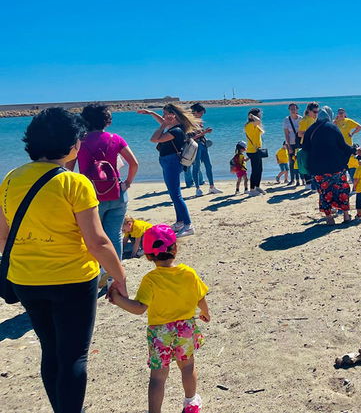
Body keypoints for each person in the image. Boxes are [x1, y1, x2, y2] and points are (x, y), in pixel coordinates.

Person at [0, 107, 128, 412]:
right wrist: (119, 277)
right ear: (73, 145)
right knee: (74, 356)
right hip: (72, 280)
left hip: (25, 279)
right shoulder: (75, 183)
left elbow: (3, 237)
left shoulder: (10, 179)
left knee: (51, 350)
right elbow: (97, 242)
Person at [108, 224, 210, 413]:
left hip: (160, 332)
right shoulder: (188, 273)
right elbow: (200, 297)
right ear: (176, 248)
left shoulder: (151, 280)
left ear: (148, 256)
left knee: (158, 377)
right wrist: (205, 312)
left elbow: (139, 308)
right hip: (185, 327)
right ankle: (191, 403)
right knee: (187, 368)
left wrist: (117, 299)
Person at [69, 103, 138, 288]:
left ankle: (94, 274)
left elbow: (68, 170)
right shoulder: (116, 139)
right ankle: (114, 278)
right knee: (114, 235)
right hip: (116, 193)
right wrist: (127, 184)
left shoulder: (78, 141)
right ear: (106, 121)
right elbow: (134, 163)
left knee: (91, 238)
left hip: (90, 197)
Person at [138, 104, 200, 237]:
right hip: (168, 161)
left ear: (173, 115)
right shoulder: (175, 127)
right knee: (173, 194)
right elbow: (162, 122)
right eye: (163, 114)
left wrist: (162, 125)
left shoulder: (176, 131)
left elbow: (154, 139)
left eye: (166, 113)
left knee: (176, 195)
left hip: (171, 162)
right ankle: (180, 222)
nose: (164, 116)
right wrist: (151, 113)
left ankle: (188, 225)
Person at [301, 106, 361, 225]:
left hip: (318, 168)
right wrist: (355, 150)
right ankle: (346, 216)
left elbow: (305, 148)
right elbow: (343, 146)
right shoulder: (332, 127)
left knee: (324, 192)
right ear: (329, 115)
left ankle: (329, 218)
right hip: (336, 167)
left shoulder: (311, 129)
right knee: (342, 189)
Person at [189, 103, 221, 196]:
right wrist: (205, 132)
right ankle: (197, 188)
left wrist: (204, 132)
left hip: (203, 145)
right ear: (196, 112)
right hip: (196, 146)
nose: (202, 115)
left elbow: (199, 134)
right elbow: (192, 137)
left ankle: (212, 187)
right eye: (201, 113)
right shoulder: (190, 123)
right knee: (196, 167)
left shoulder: (198, 122)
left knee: (208, 166)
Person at [299, 102, 320, 189]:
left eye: (317, 112)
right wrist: (311, 133)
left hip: (313, 144)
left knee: (314, 163)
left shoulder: (314, 119)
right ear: (309, 111)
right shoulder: (305, 120)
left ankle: (312, 184)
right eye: (314, 112)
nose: (316, 114)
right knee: (309, 164)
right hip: (307, 144)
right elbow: (300, 133)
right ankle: (310, 184)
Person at [244, 108, 265, 196]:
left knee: (259, 169)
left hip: (257, 150)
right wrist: (252, 116)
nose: (260, 116)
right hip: (252, 151)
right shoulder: (249, 125)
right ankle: (252, 189)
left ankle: (257, 186)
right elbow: (259, 121)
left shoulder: (255, 125)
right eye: (259, 114)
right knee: (255, 170)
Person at [282, 103, 302, 185]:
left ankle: (301, 179)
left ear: (297, 109)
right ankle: (292, 179)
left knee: (300, 161)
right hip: (291, 143)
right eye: (291, 109)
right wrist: (289, 146)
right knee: (291, 162)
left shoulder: (301, 119)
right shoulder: (286, 120)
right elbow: (286, 134)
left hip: (300, 143)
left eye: (294, 108)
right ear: (289, 110)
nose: (293, 110)